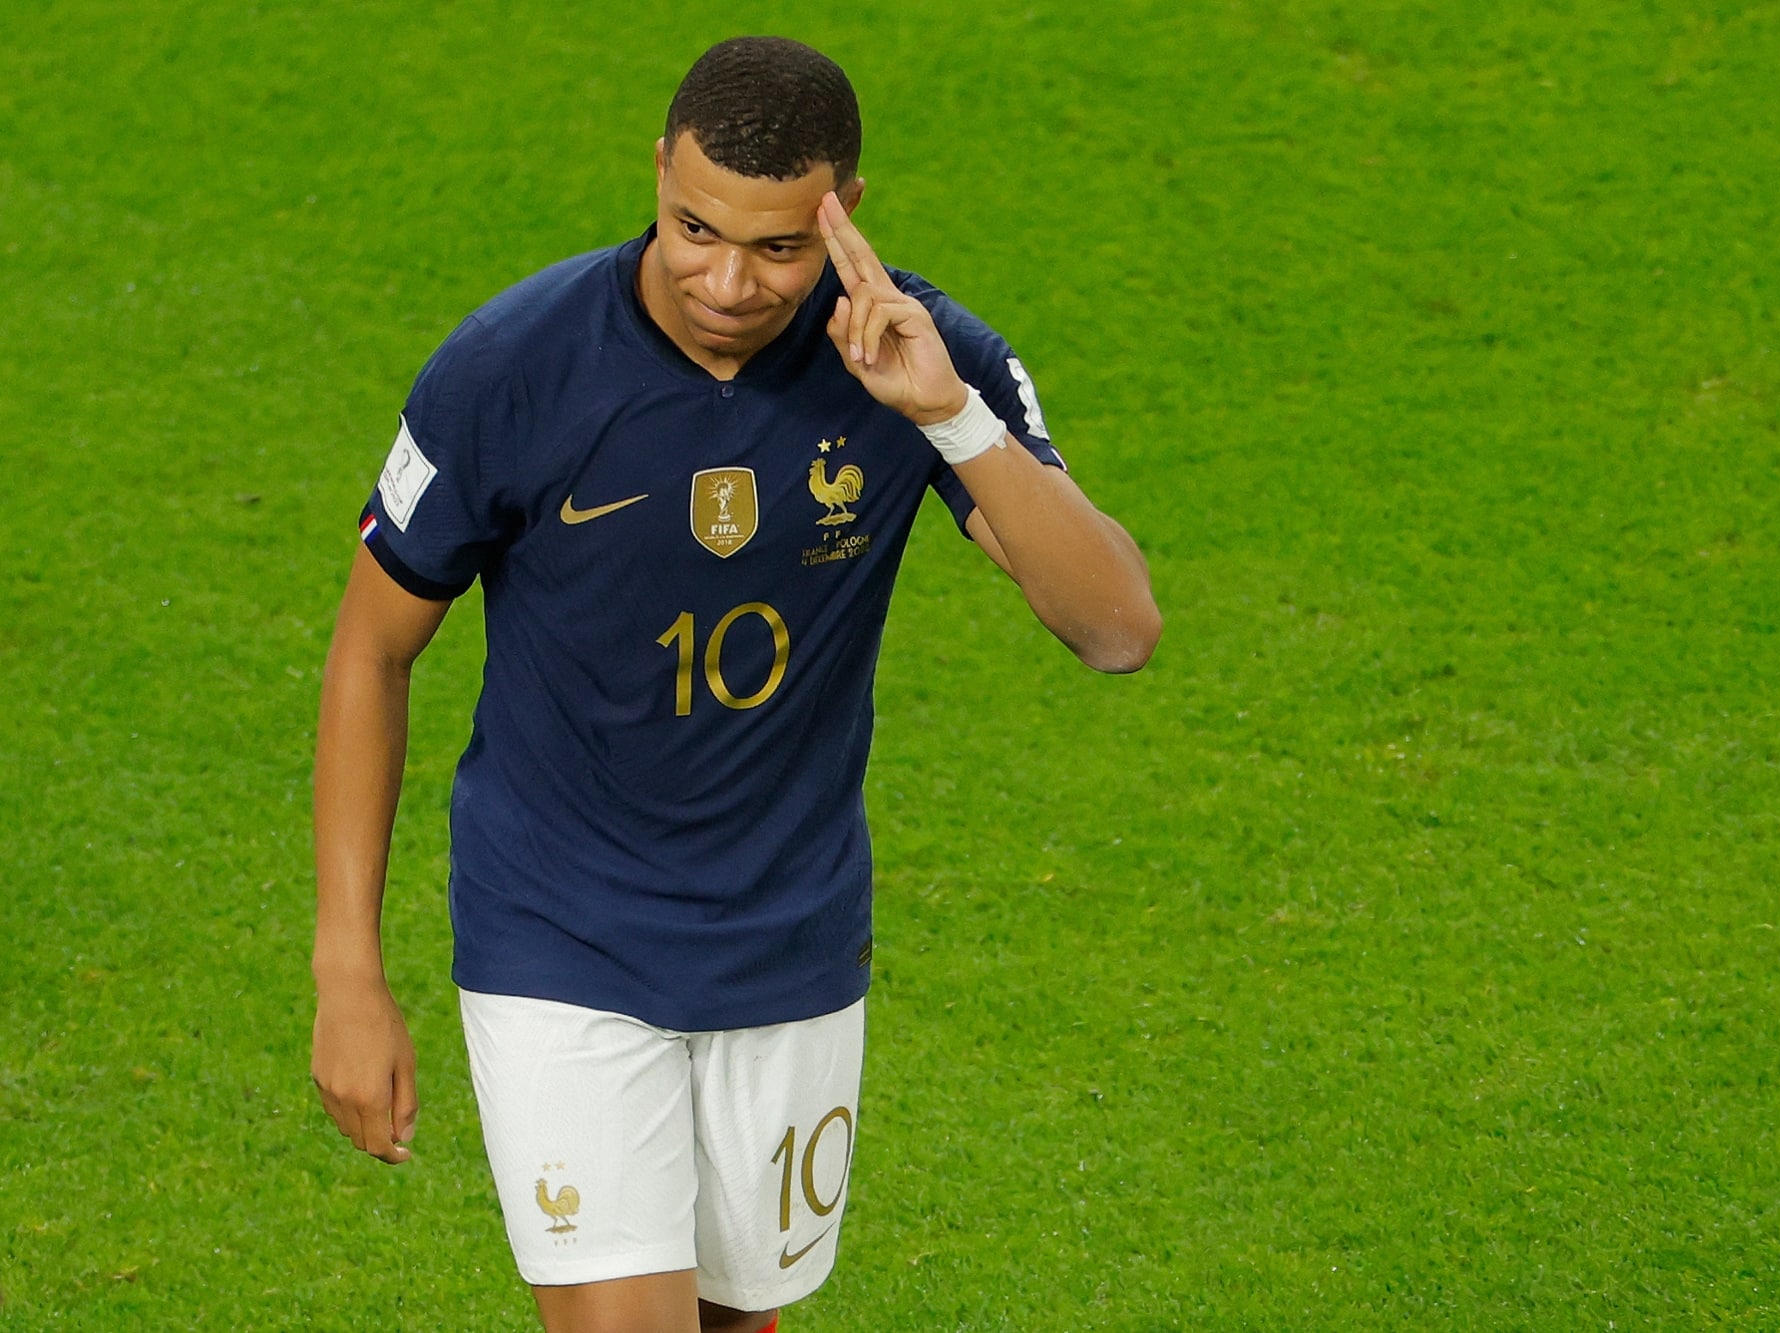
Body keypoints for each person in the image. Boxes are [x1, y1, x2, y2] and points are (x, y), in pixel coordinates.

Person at [310, 35, 1159, 1333]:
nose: (726, 281)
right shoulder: (512, 370)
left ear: (845, 213)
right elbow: (372, 648)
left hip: (791, 947)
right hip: (560, 934)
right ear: (657, 172)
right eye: (694, 227)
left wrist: (950, 417)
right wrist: (347, 971)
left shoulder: (918, 359)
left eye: (776, 249)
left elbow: (1116, 628)